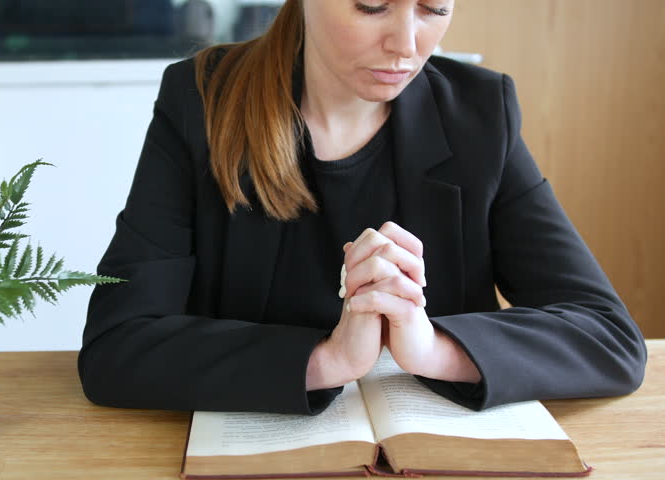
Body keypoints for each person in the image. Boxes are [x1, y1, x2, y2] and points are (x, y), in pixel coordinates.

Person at [78, 0, 647, 414]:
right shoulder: (201, 99)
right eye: (372, 6)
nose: (407, 44)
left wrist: (432, 348)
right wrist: (326, 360)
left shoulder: (481, 113)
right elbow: (116, 348)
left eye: (434, 8)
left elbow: (610, 339)